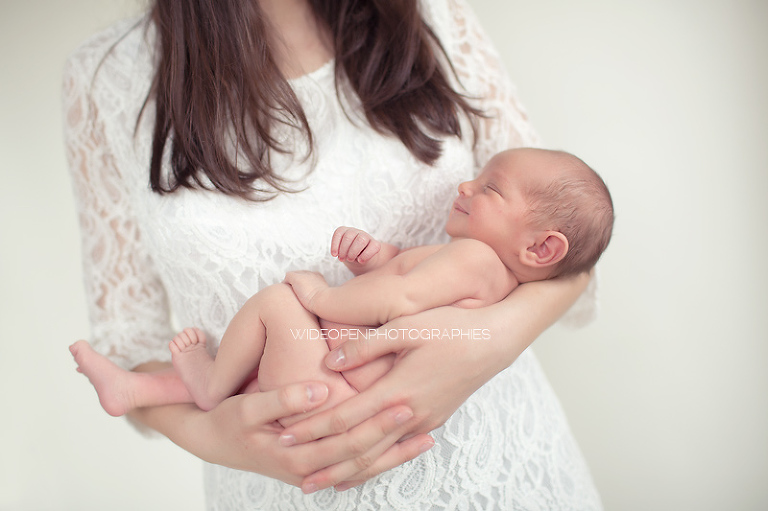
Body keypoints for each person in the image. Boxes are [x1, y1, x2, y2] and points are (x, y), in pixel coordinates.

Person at [63, 0, 605, 508]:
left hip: (497, 468)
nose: (469, 189)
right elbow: (127, 337)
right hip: (287, 474)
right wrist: (208, 435)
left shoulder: (427, 11)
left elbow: (563, 247)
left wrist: (490, 343)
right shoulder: (104, 77)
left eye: (487, 189)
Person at [70, 147, 613, 425]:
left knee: (276, 305)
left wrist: (321, 297)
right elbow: (403, 279)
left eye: (491, 187)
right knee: (255, 376)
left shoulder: (473, 257)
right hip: (341, 385)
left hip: (338, 379)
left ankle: (208, 387)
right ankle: (136, 390)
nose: (467, 184)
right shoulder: (479, 272)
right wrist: (375, 258)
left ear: (542, 249)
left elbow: (399, 299)